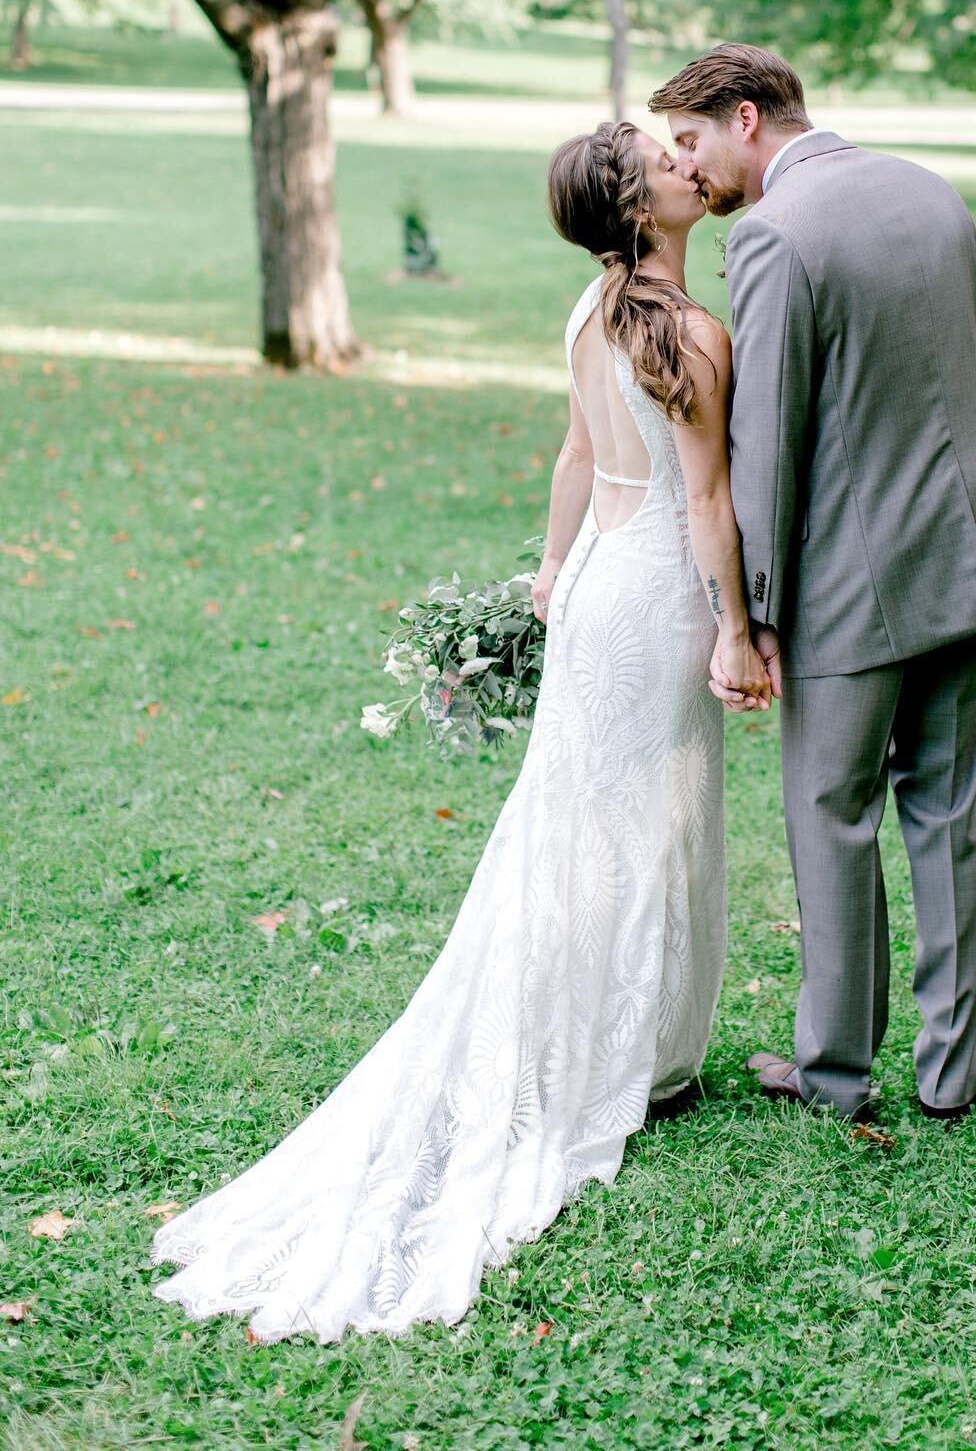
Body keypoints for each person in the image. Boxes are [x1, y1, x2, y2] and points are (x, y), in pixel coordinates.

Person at [151, 123, 766, 1342]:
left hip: (597, 584)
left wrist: (550, 574)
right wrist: (735, 632)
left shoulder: (593, 312)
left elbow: (580, 454)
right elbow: (705, 497)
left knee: (585, 816)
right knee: (650, 816)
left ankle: (622, 1035)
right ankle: (624, 1055)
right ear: (640, 209)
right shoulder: (689, 331)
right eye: (666, 163)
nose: (692, 167)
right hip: (650, 595)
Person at [650, 44, 976, 1123]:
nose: (693, 168)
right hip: (964, 552)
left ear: (745, 117)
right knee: (946, 809)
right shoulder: (932, 192)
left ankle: (834, 1071)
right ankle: (952, 1069)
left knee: (833, 814)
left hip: (846, 590)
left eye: (692, 141)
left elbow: (768, 436)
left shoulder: (774, 233)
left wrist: (753, 612)